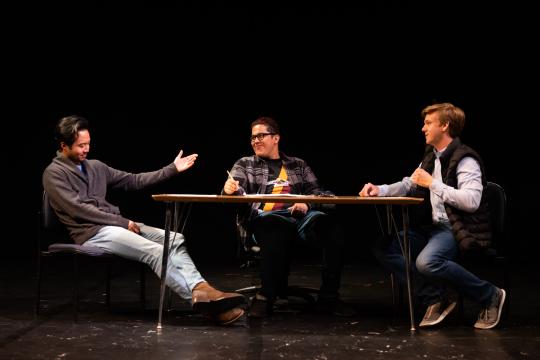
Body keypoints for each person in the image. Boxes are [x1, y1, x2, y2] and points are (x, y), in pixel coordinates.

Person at [42, 115, 246, 325]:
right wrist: (121, 222)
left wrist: (172, 169)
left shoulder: (95, 166)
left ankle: (202, 290)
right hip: (91, 233)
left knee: (174, 238)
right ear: (63, 145)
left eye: (88, 144)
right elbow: (78, 210)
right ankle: (205, 305)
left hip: (113, 226)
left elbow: (133, 180)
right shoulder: (54, 173)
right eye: (80, 146)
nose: (86, 149)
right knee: (156, 251)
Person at [359, 103, 506, 329]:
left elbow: (471, 201)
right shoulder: (431, 156)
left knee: (428, 262)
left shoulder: (466, 159)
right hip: (435, 227)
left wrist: (433, 184)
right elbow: (410, 183)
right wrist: (380, 189)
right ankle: (434, 297)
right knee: (385, 246)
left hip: (458, 228)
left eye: (428, 123)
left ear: (445, 126)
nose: (423, 128)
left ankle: (490, 295)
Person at [222, 116, 354, 318]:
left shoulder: (297, 165)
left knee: (333, 228)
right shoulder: (245, 164)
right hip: (265, 218)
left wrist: (307, 203)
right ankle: (265, 296)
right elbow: (232, 196)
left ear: (276, 138)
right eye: (252, 137)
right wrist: (229, 190)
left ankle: (329, 298)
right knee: (274, 224)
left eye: (261, 136)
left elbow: (320, 194)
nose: (255, 141)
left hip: (301, 219)